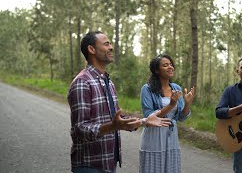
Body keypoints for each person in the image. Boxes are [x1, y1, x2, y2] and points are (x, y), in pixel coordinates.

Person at [67, 31, 171, 173]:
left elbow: (118, 120)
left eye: (110, 43)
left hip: (109, 162)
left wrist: (144, 121)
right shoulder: (82, 82)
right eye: (106, 44)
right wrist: (112, 126)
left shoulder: (108, 82)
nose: (111, 47)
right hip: (90, 165)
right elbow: (80, 129)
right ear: (91, 49)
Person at [139, 54, 196, 173]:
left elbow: (181, 117)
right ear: (156, 70)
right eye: (165, 65)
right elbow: (149, 116)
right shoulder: (147, 89)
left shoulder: (176, 88)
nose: (170, 67)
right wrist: (171, 105)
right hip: (153, 137)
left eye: (171, 64)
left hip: (171, 137)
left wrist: (187, 103)